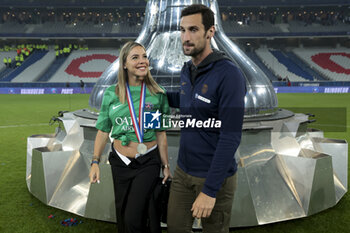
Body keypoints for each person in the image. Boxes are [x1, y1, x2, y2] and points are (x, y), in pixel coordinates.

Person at [166, 4, 246, 233]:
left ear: (210, 31)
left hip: (214, 178)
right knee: (175, 228)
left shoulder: (229, 75)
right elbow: (187, 101)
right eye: (182, 30)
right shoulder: (186, 70)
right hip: (183, 172)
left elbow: (231, 137)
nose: (185, 37)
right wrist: (150, 94)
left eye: (193, 30)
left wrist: (210, 190)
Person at [89, 41, 171, 233]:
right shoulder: (111, 94)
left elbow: (161, 134)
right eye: (135, 57)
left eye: (144, 56)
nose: (142, 61)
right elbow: (102, 131)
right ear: (124, 64)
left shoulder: (157, 94)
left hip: (148, 162)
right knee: (123, 215)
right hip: (120, 162)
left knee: (134, 217)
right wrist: (95, 162)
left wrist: (165, 166)